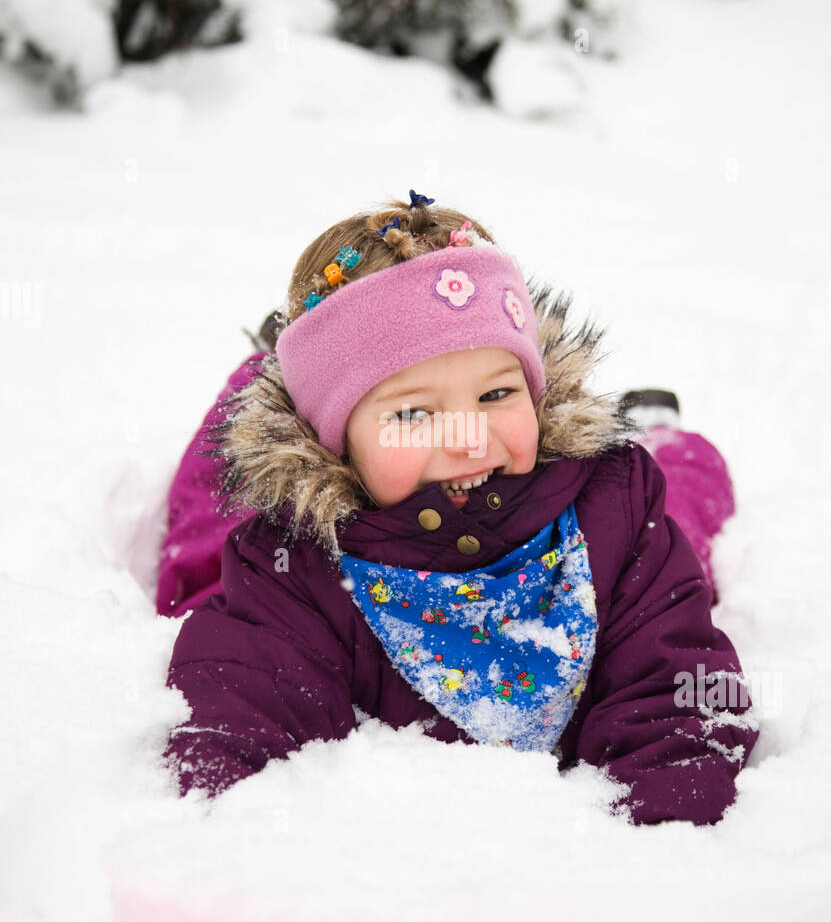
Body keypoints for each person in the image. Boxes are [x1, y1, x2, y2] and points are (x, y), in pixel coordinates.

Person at [159, 192, 757, 826]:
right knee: (203, 547)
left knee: (680, 505)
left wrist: (665, 827)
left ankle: (660, 428)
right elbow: (246, 697)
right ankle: (265, 367)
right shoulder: (289, 565)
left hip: (604, 501)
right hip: (319, 499)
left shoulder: (618, 504)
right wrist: (230, 828)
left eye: (498, 392)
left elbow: (673, 688)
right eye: (415, 413)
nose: (469, 437)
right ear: (330, 440)